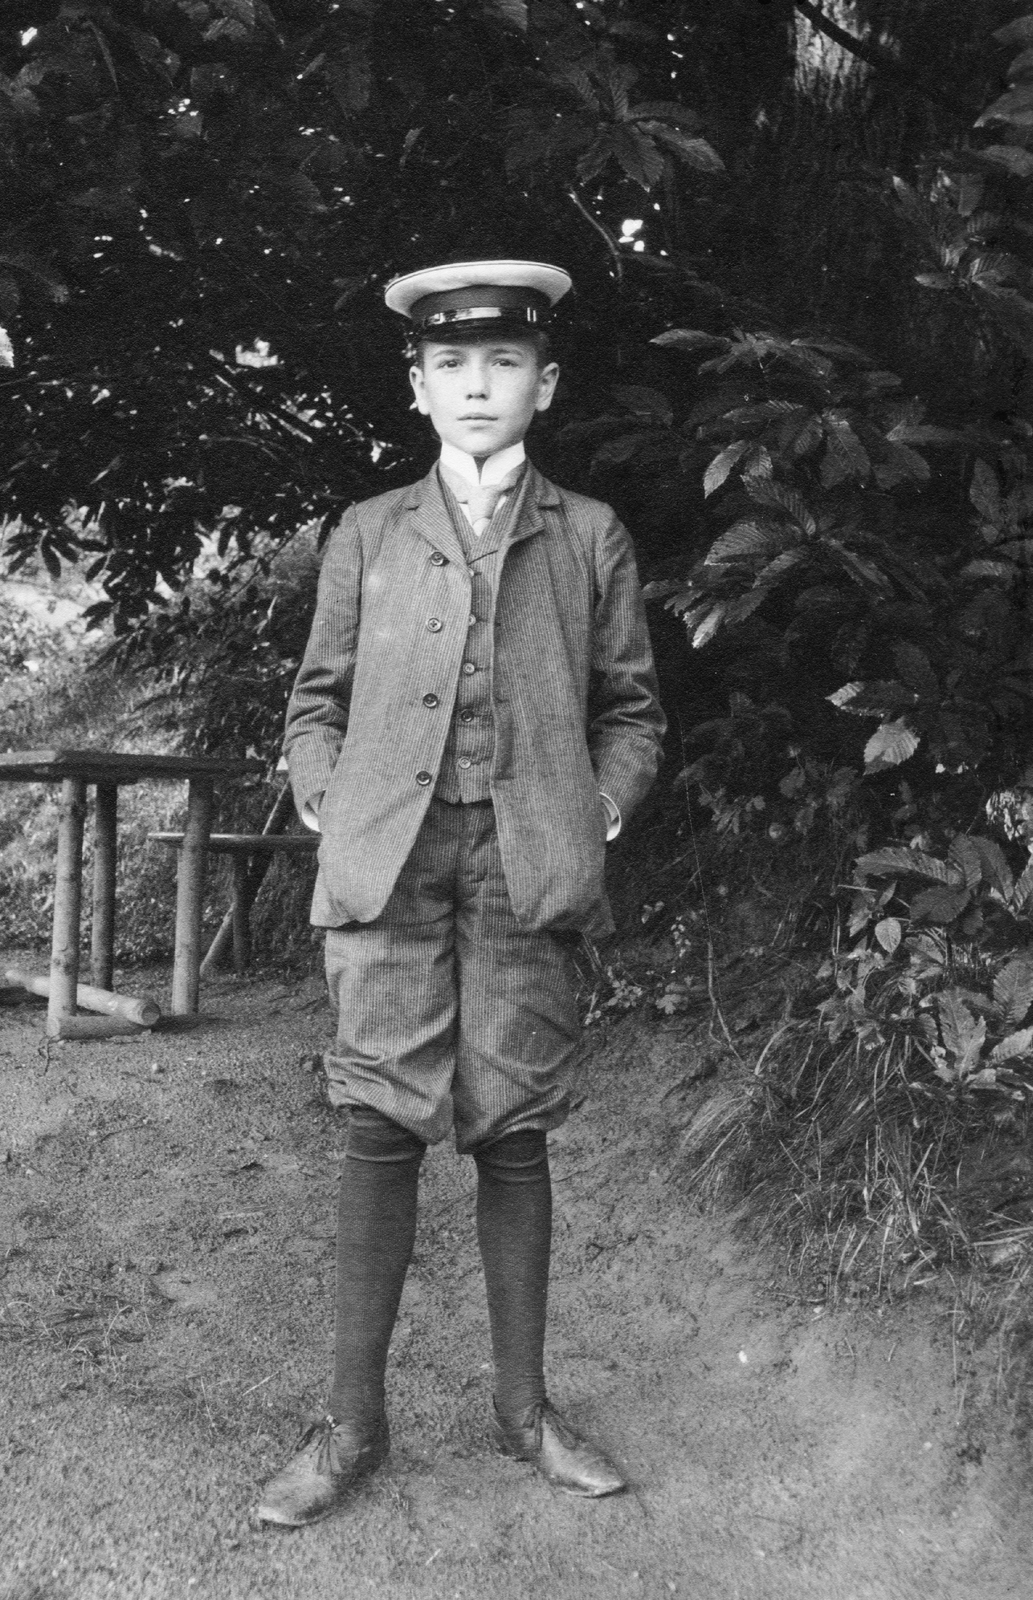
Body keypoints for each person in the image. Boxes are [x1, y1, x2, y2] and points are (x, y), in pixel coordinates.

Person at [256, 260, 666, 1527]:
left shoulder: (588, 533)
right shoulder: (369, 531)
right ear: (419, 385)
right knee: (378, 1122)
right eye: (452, 366)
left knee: (515, 1128)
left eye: (502, 365)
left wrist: (595, 811)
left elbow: (633, 709)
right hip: (388, 862)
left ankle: (524, 1411)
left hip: (527, 864)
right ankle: (349, 1429)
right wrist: (330, 798)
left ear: (544, 384)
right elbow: (313, 700)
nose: (477, 386)